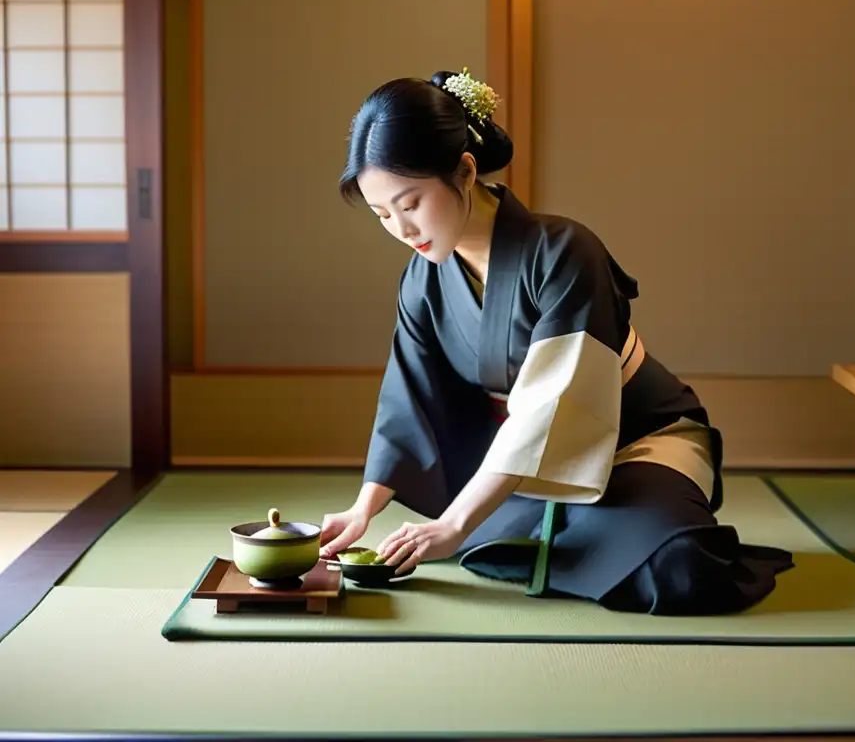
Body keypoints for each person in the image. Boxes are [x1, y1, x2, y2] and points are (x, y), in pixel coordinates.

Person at [319, 68, 793, 615]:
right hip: (539, 460)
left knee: (680, 568)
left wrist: (453, 522)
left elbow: (551, 407)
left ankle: (610, 524)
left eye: (411, 203)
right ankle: (576, 527)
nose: (402, 229)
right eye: (383, 214)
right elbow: (409, 397)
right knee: (486, 547)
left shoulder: (566, 252)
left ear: (466, 171)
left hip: (639, 441)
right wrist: (363, 510)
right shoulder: (423, 278)